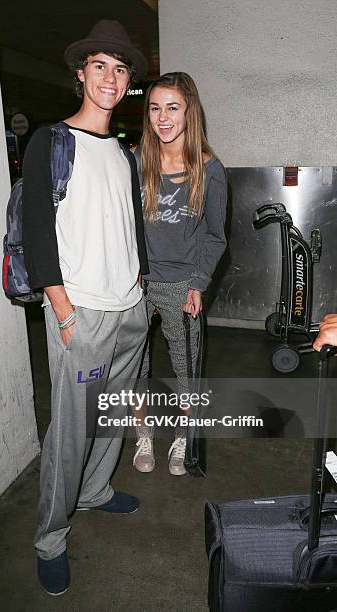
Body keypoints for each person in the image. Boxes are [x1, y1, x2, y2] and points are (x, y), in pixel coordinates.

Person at [22, 20, 149, 596]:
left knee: (114, 416)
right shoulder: (51, 141)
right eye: (100, 65)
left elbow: (130, 227)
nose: (111, 77)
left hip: (129, 311)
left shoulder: (124, 151)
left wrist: (140, 286)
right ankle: (50, 537)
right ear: (81, 73)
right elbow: (37, 234)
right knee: (70, 431)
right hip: (84, 315)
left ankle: (96, 491)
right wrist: (64, 311)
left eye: (121, 69)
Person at [132, 72, 227, 475]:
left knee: (185, 370)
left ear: (190, 112)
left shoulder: (209, 168)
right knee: (134, 365)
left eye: (173, 108)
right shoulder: (138, 160)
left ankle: (184, 438)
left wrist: (198, 283)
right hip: (137, 284)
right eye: (155, 108)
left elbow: (215, 236)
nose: (163, 117)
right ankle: (144, 434)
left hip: (181, 284)